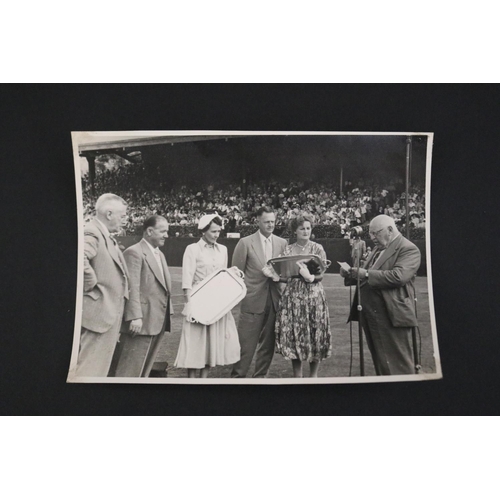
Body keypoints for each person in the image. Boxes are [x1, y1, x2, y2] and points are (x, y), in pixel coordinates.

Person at [340, 214, 421, 375]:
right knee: (382, 363)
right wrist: (350, 274)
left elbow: (398, 276)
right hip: (371, 314)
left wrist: (366, 274)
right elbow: (366, 275)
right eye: (370, 233)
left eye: (375, 233)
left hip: (392, 315)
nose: (372, 238)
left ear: (390, 230)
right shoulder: (378, 249)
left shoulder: (408, 248)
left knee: (398, 365)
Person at [174, 214, 240, 378]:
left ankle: (203, 379)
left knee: (211, 340)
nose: (217, 235)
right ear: (203, 231)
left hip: (215, 300)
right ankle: (191, 380)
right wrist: (188, 303)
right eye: (213, 231)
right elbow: (187, 280)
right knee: (195, 340)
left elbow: (222, 276)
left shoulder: (223, 249)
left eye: (218, 231)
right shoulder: (192, 249)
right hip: (197, 300)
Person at [110, 215, 173, 377]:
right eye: (163, 231)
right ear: (149, 231)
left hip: (157, 321)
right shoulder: (134, 252)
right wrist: (134, 316)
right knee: (129, 372)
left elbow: (164, 287)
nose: (167, 235)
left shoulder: (159, 254)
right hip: (140, 323)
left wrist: (168, 311)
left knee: (143, 372)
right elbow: (132, 287)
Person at [76, 193, 129, 377]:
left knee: (97, 371)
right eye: (122, 216)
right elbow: (78, 258)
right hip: (99, 314)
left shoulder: (102, 233)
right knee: (90, 371)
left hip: (106, 315)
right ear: (108, 214)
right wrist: (91, 284)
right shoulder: (92, 231)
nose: (125, 221)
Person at [230, 207, 287, 378]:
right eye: (266, 222)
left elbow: (285, 274)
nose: (270, 225)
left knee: (268, 345)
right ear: (258, 222)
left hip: (274, 300)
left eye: (272, 221)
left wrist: (277, 276)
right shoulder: (245, 243)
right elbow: (236, 273)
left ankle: (260, 379)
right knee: (245, 346)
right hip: (252, 301)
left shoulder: (282, 243)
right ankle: (237, 379)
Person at [273, 214, 332, 377]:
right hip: (293, 296)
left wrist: (311, 277)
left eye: (308, 228)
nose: (305, 231)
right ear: (295, 231)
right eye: (302, 228)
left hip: (314, 296)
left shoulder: (317, 249)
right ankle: (297, 376)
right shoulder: (288, 249)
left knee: (315, 333)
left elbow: (321, 275)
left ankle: (313, 376)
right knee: (295, 334)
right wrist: (276, 276)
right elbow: (285, 274)